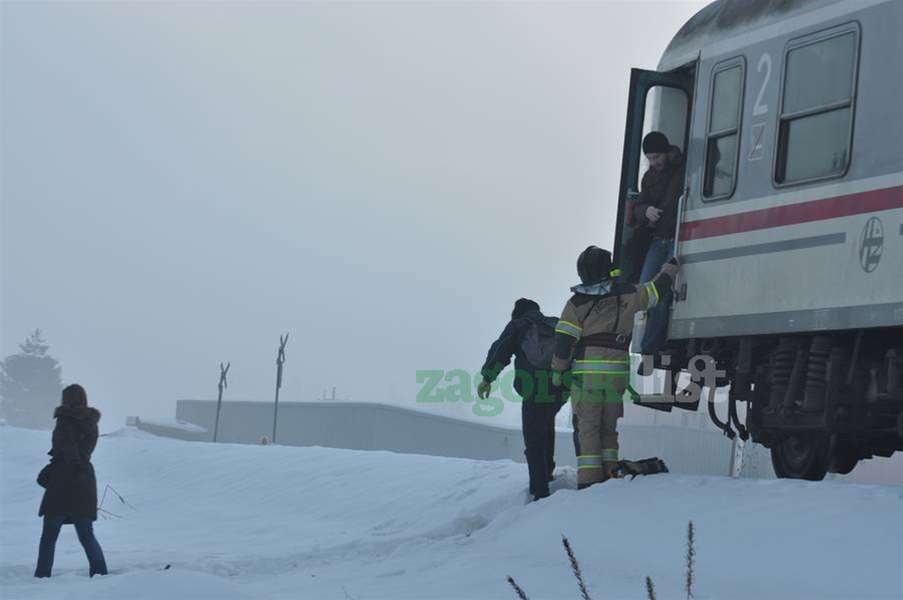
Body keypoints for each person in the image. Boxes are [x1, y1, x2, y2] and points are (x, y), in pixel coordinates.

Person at [551, 246, 679, 489]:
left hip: (586, 378)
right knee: (609, 430)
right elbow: (656, 290)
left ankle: (589, 483)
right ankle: (611, 477)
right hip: (616, 377)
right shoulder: (629, 294)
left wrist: (558, 371)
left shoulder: (576, 303)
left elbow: (563, 342)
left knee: (588, 429)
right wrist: (670, 268)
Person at [478, 298, 568, 501]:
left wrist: (487, 378)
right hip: (559, 387)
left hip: (534, 387)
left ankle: (539, 489)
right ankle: (548, 472)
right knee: (546, 424)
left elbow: (501, 350)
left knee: (534, 436)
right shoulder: (554, 323)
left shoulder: (519, 325)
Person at [34, 384, 108, 578]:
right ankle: (100, 572)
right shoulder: (91, 422)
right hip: (84, 480)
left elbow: (65, 448)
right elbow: (84, 450)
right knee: (86, 534)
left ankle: (42, 575)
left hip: (63, 480)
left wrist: (58, 462)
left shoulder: (64, 420)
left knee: (49, 535)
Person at [632, 131, 685, 356]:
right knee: (646, 290)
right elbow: (640, 205)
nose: (655, 162)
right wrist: (646, 211)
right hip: (659, 239)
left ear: (666, 152)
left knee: (660, 294)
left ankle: (650, 348)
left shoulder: (682, 169)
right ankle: (651, 346)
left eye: (657, 157)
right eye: (650, 158)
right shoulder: (649, 177)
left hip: (678, 238)